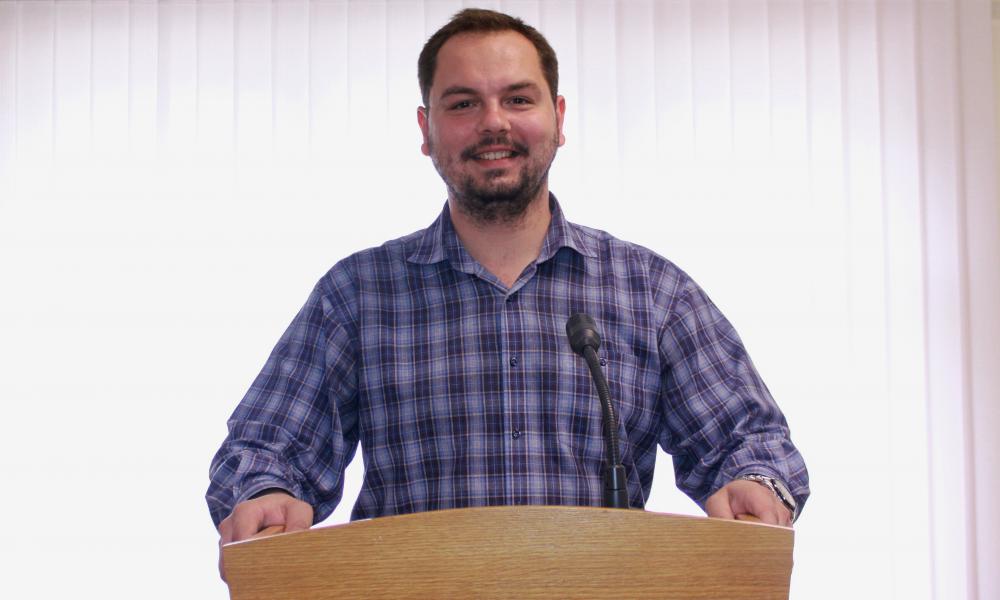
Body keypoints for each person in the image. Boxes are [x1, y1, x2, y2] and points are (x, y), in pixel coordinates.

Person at [208, 8, 809, 573]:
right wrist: (266, 492)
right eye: (463, 103)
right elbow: (267, 446)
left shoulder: (651, 292)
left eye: (518, 99)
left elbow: (748, 440)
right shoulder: (357, 295)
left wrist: (755, 483)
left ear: (559, 118)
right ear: (426, 128)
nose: (493, 122)